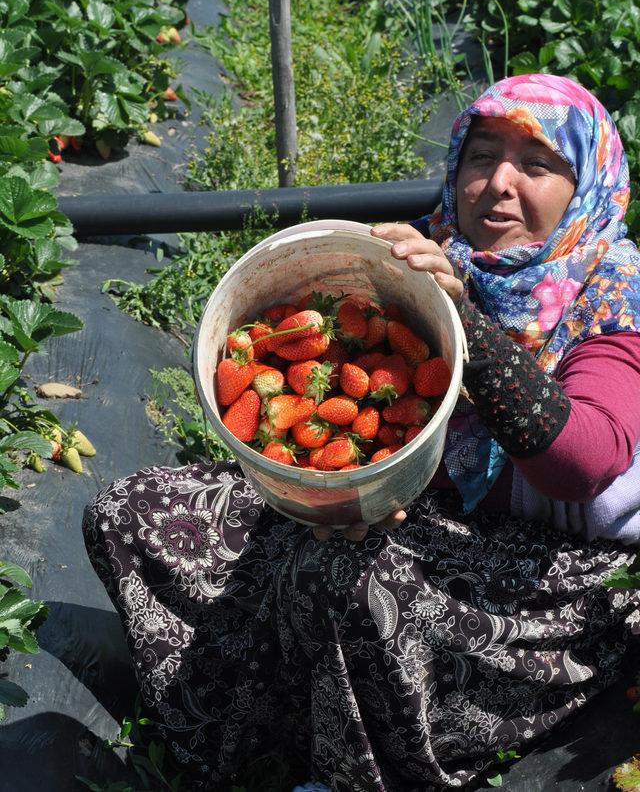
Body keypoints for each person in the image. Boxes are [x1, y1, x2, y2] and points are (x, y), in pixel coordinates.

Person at [83, 74, 640, 791]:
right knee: (136, 512)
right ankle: (258, 740)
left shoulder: (613, 294)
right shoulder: (436, 256)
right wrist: (347, 491)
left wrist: (465, 325)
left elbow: (582, 463)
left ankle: (364, 770)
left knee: (351, 575)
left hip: (565, 578)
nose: (500, 184)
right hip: (438, 527)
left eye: (536, 166)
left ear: (588, 183)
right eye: (481, 157)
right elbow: (392, 434)